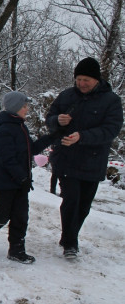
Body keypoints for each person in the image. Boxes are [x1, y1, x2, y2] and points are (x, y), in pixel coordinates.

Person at [45, 57, 123, 259]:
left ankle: (68, 235)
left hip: (93, 161)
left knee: (84, 205)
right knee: (70, 200)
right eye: (78, 79)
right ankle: (71, 244)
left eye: (86, 79)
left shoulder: (111, 101)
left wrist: (82, 136)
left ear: (96, 79)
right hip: (66, 158)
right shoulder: (67, 96)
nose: (81, 83)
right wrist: (57, 121)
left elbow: (111, 129)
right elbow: (50, 117)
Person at [0, 91, 58, 264]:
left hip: (19, 181)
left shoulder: (20, 127)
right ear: (15, 108)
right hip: (5, 182)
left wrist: (51, 137)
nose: (27, 109)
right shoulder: (6, 130)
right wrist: (21, 177)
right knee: (3, 214)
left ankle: (17, 250)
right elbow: (7, 159)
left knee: (20, 216)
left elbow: (30, 150)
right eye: (24, 106)